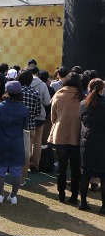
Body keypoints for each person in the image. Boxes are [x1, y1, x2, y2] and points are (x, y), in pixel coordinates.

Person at [48, 72, 83, 204]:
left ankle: (61, 194)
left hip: (60, 134)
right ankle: (74, 195)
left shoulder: (58, 94)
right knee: (75, 167)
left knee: (61, 167)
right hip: (76, 135)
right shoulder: (82, 97)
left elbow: (53, 116)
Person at [0, 81, 29, 204]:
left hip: (1, 142)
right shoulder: (24, 109)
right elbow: (26, 125)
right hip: (17, 143)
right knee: (16, 170)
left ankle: (0, 194)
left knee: (0, 170)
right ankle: (13, 196)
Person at [79, 78, 105, 213]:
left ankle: (83, 202)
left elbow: (82, 120)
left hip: (86, 141)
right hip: (102, 144)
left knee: (86, 173)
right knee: (103, 175)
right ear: (101, 90)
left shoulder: (83, 104)